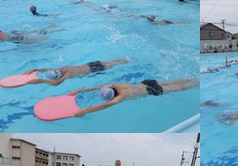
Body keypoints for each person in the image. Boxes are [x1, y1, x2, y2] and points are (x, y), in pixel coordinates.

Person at [67, 78, 198, 117]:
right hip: (147, 82)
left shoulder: (121, 97)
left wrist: (85, 110)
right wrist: (78, 90)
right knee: (173, 82)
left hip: (151, 90)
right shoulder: (116, 85)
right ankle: (194, 79)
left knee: (179, 88)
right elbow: (97, 87)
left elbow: (104, 106)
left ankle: (196, 83)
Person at [23, 59, 129, 86]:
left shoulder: (67, 74)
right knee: (116, 61)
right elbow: (47, 69)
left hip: (94, 70)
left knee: (116, 64)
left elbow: (56, 83)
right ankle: (128, 59)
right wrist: (36, 69)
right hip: (91, 63)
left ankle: (130, 60)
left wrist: (40, 80)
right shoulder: (63, 68)